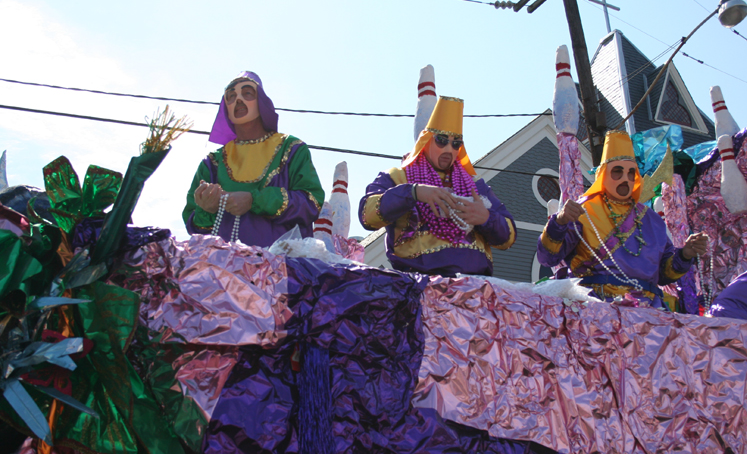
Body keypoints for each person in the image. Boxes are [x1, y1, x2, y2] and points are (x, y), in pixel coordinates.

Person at [537, 130, 708, 308]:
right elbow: (547, 258)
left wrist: (685, 254)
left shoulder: (651, 220)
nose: (625, 179)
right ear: (604, 174)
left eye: (631, 173)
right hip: (597, 308)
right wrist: (560, 222)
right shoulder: (583, 211)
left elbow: (664, 274)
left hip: (649, 311)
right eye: (618, 172)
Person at [359, 96, 515, 276]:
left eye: (456, 143)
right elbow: (367, 215)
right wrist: (414, 192)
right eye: (441, 140)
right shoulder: (398, 177)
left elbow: (508, 237)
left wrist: (486, 218)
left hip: (475, 290)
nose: (449, 149)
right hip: (420, 286)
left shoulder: (474, 185)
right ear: (426, 140)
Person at [183, 71, 324, 246]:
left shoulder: (291, 148)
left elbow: (312, 202)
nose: (238, 100)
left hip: (281, 266)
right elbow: (193, 225)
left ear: (261, 102)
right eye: (231, 96)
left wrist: (254, 200)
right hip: (224, 267)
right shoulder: (212, 163)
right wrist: (207, 209)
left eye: (247, 93)